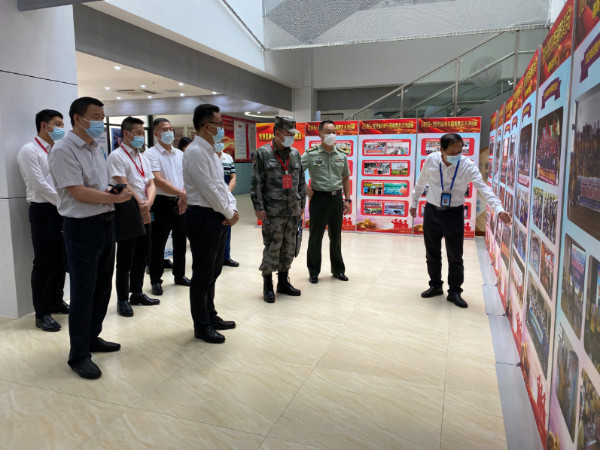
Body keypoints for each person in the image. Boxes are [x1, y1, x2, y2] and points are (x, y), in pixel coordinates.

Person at [49, 96, 132, 379]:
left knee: (102, 288)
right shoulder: (63, 149)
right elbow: (77, 191)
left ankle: (92, 337)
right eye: (95, 117)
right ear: (77, 118)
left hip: (106, 224)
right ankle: (79, 355)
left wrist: (114, 190)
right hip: (82, 228)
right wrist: (116, 198)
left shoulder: (96, 148)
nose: (100, 122)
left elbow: (98, 186)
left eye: (102, 117)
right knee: (84, 293)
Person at [410, 133, 512, 308]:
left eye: (459, 151)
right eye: (452, 152)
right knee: (432, 252)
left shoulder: (467, 165)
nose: (456, 155)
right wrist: (414, 203)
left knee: (455, 255)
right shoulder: (431, 160)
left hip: (454, 214)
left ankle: (455, 292)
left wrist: (498, 209)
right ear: (441, 150)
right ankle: (435, 285)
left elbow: (483, 188)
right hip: (432, 211)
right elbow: (420, 183)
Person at [183, 104, 238, 343]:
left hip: (216, 215)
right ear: (207, 126)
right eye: (219, 124)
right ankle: (202, 325)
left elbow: (221, 186)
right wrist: (228, 212)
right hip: (202, 216)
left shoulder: (211, 152)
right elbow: (208, 190)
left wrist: (232, 209)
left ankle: (211, 315)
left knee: (214, 271)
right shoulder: (196, 152)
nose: (222, 129)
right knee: (203, 274)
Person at [17, 109, 69, 332]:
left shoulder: (57, 150)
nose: (61, 128)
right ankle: (42, 313)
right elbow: (39, 184)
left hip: (61, 209)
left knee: (60, 259)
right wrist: (65, 203)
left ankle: (56, 301)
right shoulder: (29, 150)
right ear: (43, 125)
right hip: (43, 211)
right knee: (44, 261)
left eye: (62, 124)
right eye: (57, 124)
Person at [107, 116, 159, 317]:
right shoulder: (117, 156)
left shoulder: (142, 157)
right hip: (127, 209)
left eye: (142, 133)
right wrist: (141, 204)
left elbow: (151, 183)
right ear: (126, 134)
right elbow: (123, 184)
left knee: (143, 252)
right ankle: (122, 299)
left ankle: (137, 292)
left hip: (145, 207)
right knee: (125, 257)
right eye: (138, 133)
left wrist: (149, 203)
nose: (141, 137)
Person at [251, 116, 306, 303]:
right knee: (272, 247)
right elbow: (256, 182)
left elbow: (301, 182)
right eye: (288, 133)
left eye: (293, 133)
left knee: (289, 247)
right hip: (272, 211)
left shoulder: (295, 154)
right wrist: (258, 207)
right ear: (277, 133)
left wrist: (301, 205)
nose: (292, 136)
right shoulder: (263, 153)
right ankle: (268, 284)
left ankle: (283, 282)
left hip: (292, 210)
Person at [145, 118, 191, 296]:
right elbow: (157, 180)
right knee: (158, 242)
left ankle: (179, 275)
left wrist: (183, 196)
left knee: (180, 240)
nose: (169, 132)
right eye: (165, 129)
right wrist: (182, 194)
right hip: (161, 203)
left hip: (181, 201)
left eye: (171, 128)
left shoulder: (180, 154)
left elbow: (187, 176)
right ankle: (156, 280)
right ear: (156, 133)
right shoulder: (151, 154)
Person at [301, 120, 351, 284]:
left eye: (334, 132)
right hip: (319, 199)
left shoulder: (341, 155)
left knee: (336, 237)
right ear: (320, 134)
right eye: (328, 132)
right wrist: (307, 189)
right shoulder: (311, 154)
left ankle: (338, 270)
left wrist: (347, 199)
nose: (331, 135)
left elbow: (345, 178)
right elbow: (295, 173)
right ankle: (313, 271)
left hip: (337, 199)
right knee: (316, 237)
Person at [216, 142, 240, 268]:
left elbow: (233, 178)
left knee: (227, 224)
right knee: (215, 226)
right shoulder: (208, 157)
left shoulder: (228, 158)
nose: (219, 143)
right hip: (213, 196)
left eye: (221, 141)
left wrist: (227, 192)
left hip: (227, 196)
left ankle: (226, 256)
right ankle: (215, 257)